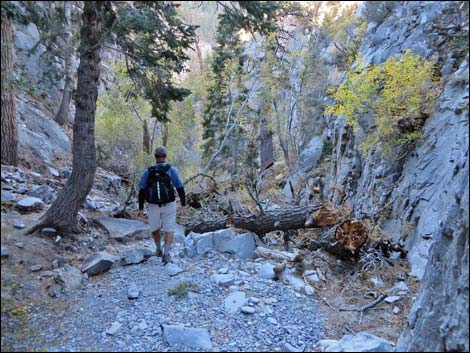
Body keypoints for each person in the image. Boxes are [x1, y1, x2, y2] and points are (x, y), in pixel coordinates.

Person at [138, 147, 186, 264]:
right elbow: (180, 187)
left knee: (155, 228)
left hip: (153, 205)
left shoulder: (148, 171)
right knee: (169, 229)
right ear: (165, 156)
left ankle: (158, 249)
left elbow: (142, 191)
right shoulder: (172, 170)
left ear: (155, 157)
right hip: (169, 204)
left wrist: (141, 208)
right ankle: (166, 254)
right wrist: (183, 204)